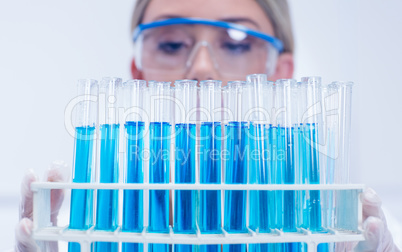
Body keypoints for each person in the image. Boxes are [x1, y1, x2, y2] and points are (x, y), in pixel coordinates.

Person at [15, 0, 400, 251]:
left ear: (283, 78)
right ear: (136, 75)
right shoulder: (82, 233)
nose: (201, 69)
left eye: (236, 42)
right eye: (170, 43)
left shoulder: (350, 234)